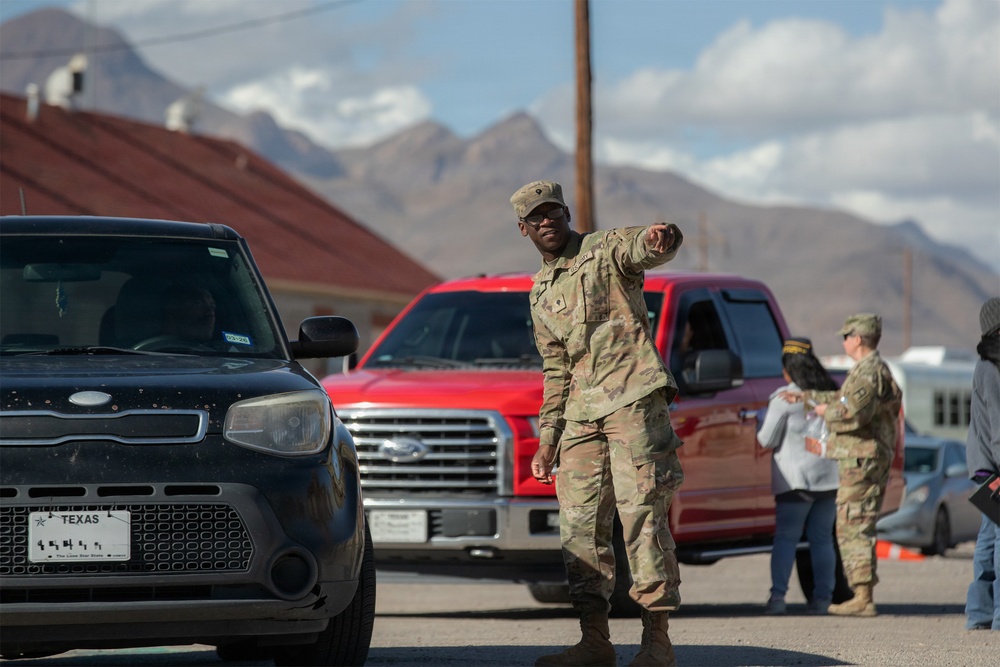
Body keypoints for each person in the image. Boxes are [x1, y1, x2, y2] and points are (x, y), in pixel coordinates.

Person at [510, 180, 684, 667]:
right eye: (536, 217)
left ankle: (657, 641)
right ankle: (595, 640)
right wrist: (548, 440)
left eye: (554, 212)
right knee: (580, 529)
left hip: (632, 401)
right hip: (580, 418)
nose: (548, 221)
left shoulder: (603, 250)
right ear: (523, 229)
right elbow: (555, 369)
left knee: (641, 518)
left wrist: (658, 238)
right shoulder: (541, 292)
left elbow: (641, 248)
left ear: (566, 213)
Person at [792, 313, 901, 617]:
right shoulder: (867, 371)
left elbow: (852, 412)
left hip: (862, 459)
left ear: (859, 339)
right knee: (853, 523)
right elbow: (843, 398)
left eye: (846, 336)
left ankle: (863, 596)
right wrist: (807, 397)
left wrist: (826, 411)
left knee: (854, 524)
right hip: (861, 458)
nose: (843, 341)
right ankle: (861, 593)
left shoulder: (869, 373)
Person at [756, 337, 840, 616]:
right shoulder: (830, 393)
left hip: (795, 481)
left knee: (786, 540)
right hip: (828, 478)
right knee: (823, 540)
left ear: (787, 368)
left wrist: (759, 419)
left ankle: (778, 598)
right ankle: (822, 600)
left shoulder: (783, 399)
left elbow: (766, 440)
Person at [964, 296, 1000, 631]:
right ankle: (994, 615)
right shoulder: (991, 367)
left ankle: (980, 614)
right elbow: (998, 425)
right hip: (994, 467)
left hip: (984, 465)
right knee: (998, 539)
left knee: (990, 537)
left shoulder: (985, 365)